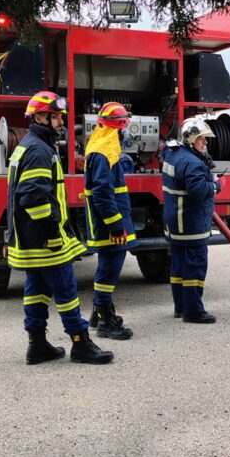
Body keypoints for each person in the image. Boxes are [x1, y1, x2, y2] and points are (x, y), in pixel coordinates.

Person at [7, 90, 114, 365]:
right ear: (39, 117)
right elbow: (32, 197)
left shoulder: (29, 145)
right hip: (45, 240)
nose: (61, 122)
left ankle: (37, 345)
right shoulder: (39, 150)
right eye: (56, 117)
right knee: (66, 290)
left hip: (30, 239)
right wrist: (52, 233)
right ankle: (80, 344)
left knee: (37, 290)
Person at [83, 101, 136, 341]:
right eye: (123, 127)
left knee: (107, 265)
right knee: (110, 268)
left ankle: (98, 314)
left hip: (108, 221)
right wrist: (115, 226)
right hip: (109, 224)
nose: (124, 132)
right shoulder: (104, 151)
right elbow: (103, 193)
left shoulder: (102, 146)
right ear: (118, 127)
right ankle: (105, 322)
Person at [162, 117, 221, 323]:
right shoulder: (192, 163)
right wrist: (216, 186)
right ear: (190, 139)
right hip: (190, 224)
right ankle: (194, 312)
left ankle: (181, 308)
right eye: (201, 139)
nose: (205, 142)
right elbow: (199, 191)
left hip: (175, 223)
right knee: (195, 267)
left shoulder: (172, 153)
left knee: (178, 267)